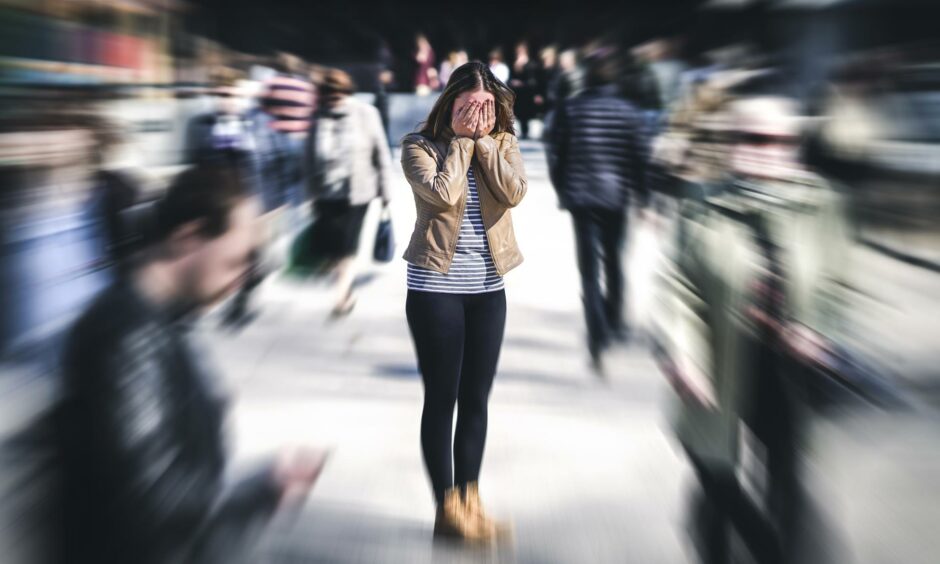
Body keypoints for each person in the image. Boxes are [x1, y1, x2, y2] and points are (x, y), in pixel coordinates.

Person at [55, 163, 328, 564]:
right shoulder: (127, 337)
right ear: (189, 237)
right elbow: (154, 503)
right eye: (238, 260)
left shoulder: (160, 321)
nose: (244, 278)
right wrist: (265, 486)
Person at [400, 61, 526, 543]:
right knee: (442, 399)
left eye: (487, 107)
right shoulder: (419, 146)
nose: (479, 115)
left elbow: (513, 193)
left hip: (489, 291)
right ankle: (446, 509)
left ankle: (471, 501)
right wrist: (461, 142)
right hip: (436, 290)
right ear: (449, 104)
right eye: (469, 107)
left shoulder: (505, 144)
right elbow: (443, 195)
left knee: (476, 399)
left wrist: (486, 144)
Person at [544, 52, 649, 373]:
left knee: (589, 270)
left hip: (582, 198)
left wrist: (562, 189)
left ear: (586, 76)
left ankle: (597, 331)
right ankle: (614, 320)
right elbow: (639, 157)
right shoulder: (628, 112)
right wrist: (643, 195)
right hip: (616, 197)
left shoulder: (570, 109)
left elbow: (556, 153)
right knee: (615, 261)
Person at [306, 68, 392, 317]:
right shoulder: (317, 118)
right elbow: (308, 158)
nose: (334, 100)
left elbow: (381, 153)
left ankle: (342, 297)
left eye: (338, 95)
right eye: (329, 96)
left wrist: (386, 192)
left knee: (347, 246)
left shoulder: (366, 114)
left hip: (358, 193)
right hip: (326, 194)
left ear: (346, 92)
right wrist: (310, 194)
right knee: (334, 248)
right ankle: (343, 284)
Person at [509, 41, 540, 139]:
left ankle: (526, 132)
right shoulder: (516, 63)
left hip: (527, 93)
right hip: (519, 93)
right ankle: (523, 132)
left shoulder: (530, 64)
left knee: (526, 113)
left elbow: (533, 81)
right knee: (520, 113)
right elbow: (512, 77)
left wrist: (522, 83)